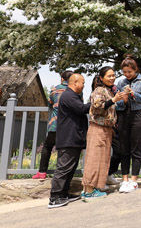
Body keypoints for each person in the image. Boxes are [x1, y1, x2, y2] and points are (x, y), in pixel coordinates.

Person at [82, 66, 124, 199]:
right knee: (94, 159)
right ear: (101, 78)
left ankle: (94, 188)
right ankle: (88, 190)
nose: (112, 78)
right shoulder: (99, 90)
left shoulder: (108, 90)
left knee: (102, 159)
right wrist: (113, 100)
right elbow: (97, 107)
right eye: (109, 76)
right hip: (98, 128)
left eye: (113, 75)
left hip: (106, 129)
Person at [48, 73, 89, 209]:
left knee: (70, 168)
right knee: (64, 168)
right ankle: (54, 197)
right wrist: (97, 103)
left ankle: (64, 194)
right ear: (75, 82)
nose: (84, 85)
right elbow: (82, 109)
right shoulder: (68, 96)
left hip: (74, 138)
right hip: (68, 138)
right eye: (82, 82)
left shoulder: (73, 96)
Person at [110, 56, 141, 194]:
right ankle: (125, 180)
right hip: (123, 116)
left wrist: (133, 94)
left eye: (129, 72)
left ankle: (134, 180)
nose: (127, 74)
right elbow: (118, 103)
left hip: (138, 116)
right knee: (123, 149)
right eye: (125, 72)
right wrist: (124, 99)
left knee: (136, 149)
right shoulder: (121, 82)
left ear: (135, 69)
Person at [34, 69, 72, 180]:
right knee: (64, 150)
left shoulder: (54, 90)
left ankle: (42, 172)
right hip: (68, 125)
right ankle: (61, 174)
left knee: (47, 147)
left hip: (55, 123)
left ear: (62, 78)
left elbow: (50, 103)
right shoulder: (75, 91)